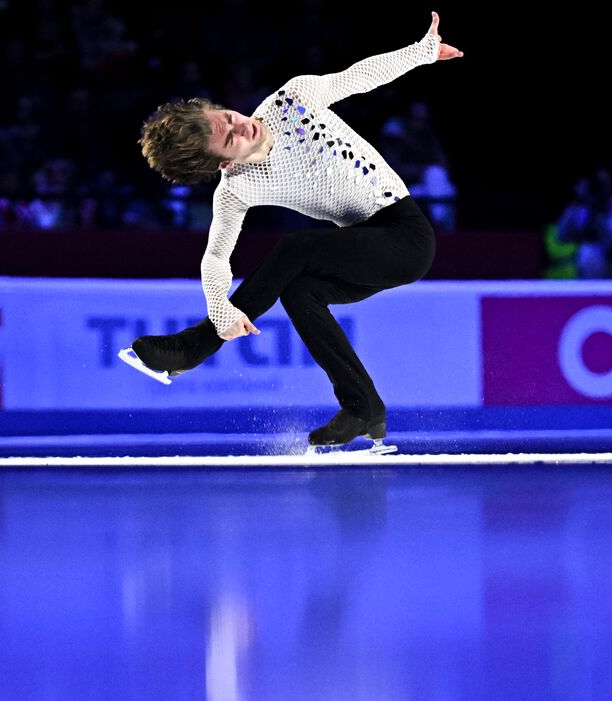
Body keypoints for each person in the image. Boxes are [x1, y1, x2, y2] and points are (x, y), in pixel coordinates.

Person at [130, 12, 463, 448]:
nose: (240, 125)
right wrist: (220, 308)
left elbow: (356, 77)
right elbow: (215, 256)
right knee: (299, 291)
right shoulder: (235, 188)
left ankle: (196, 347)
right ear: (225, 163)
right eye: (230, 139)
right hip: (364, 246)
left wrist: (419, 53)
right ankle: (363, 408)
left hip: (404, 235)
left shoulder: (292, 99)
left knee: (295, 249)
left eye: (228, 116)